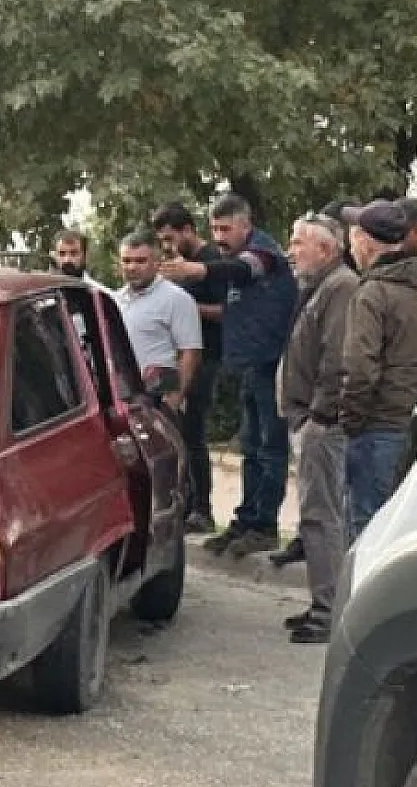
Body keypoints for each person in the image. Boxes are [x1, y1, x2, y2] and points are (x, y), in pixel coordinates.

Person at [160, 193, 297, 558]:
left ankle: (264, 525)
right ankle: (246, 521)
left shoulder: (263, 253)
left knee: (270, 448)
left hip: (271, 365)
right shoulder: (233, 257)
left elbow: (243, 270)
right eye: (214, 228)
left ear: (245, 224)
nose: (218, 237)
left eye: (225, 228)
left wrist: (198, 271)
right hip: (250, 366)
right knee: (251, 446)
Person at [339, 199, 417, 542]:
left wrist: (351, 419)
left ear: (365, 242)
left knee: (369, 531)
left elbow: (360, 369)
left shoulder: (373, 293)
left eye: (354, 234)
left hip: (381, 427)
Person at [278, 214, 358, 644]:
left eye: (298, 243)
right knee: (318, 513)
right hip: (310, 417)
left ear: (325, 249)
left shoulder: (340, 287)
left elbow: (336, 358)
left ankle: (329, 610)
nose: (290, 250)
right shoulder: (321, 286)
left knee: (321, 515)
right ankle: (323, 602)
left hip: (322, 423)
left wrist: (318, 417)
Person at [150, 202, 226, 532]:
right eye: (162, 241)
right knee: (172, 431)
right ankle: (181, 503)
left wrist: (185, 307)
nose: (167, 247)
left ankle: (202, 509)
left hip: (205, 357)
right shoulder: (173, 265)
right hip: (174, 358)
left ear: (187, 231)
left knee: (193, 432)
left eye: (170, 239)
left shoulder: (210, 261)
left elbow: (224, 311)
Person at [113, 229, 201, 415]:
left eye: (140, 261)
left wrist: (172, 403)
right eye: (127, 261)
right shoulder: (115, 301)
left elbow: (190, 354)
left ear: (156, 263)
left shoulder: (177, 299)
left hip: (161, 399)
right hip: (125, 401)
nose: (132, 267)